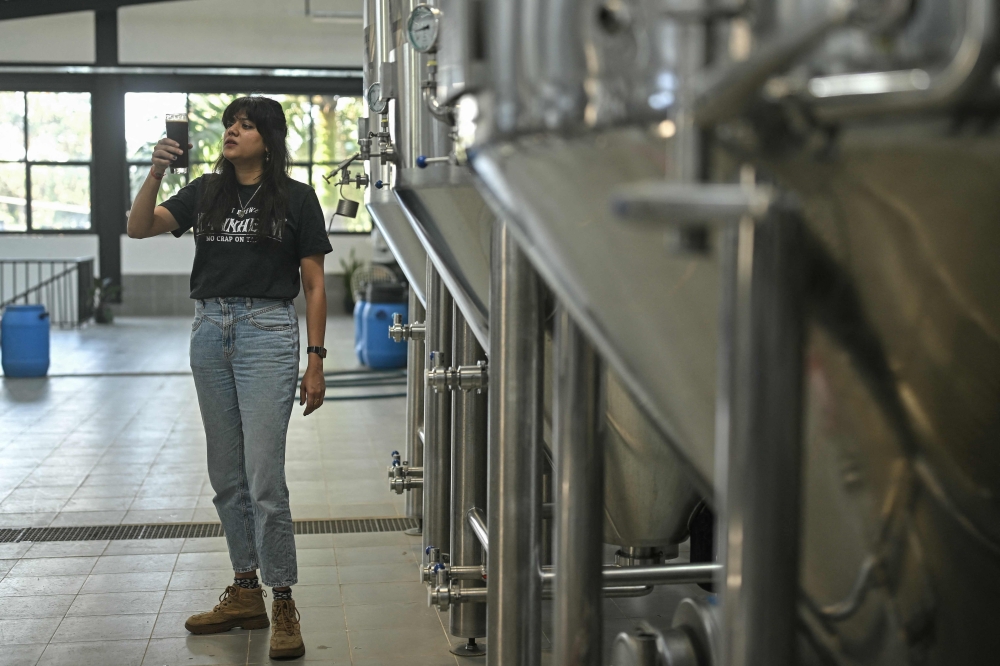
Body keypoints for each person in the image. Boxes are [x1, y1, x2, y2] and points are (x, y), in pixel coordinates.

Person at [127, 96, 331, 660]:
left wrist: (315, 358)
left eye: (245, 125)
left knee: (265, 475)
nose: (233, 132)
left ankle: (283, 598)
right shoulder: (205, 193)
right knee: (225, 474)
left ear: (269, 137)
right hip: (209, 330)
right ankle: (246, 590)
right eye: (229, 124)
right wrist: (156, 170)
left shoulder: (297, 198)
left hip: (267, 329)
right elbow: (138, 227)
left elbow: (314, 285)